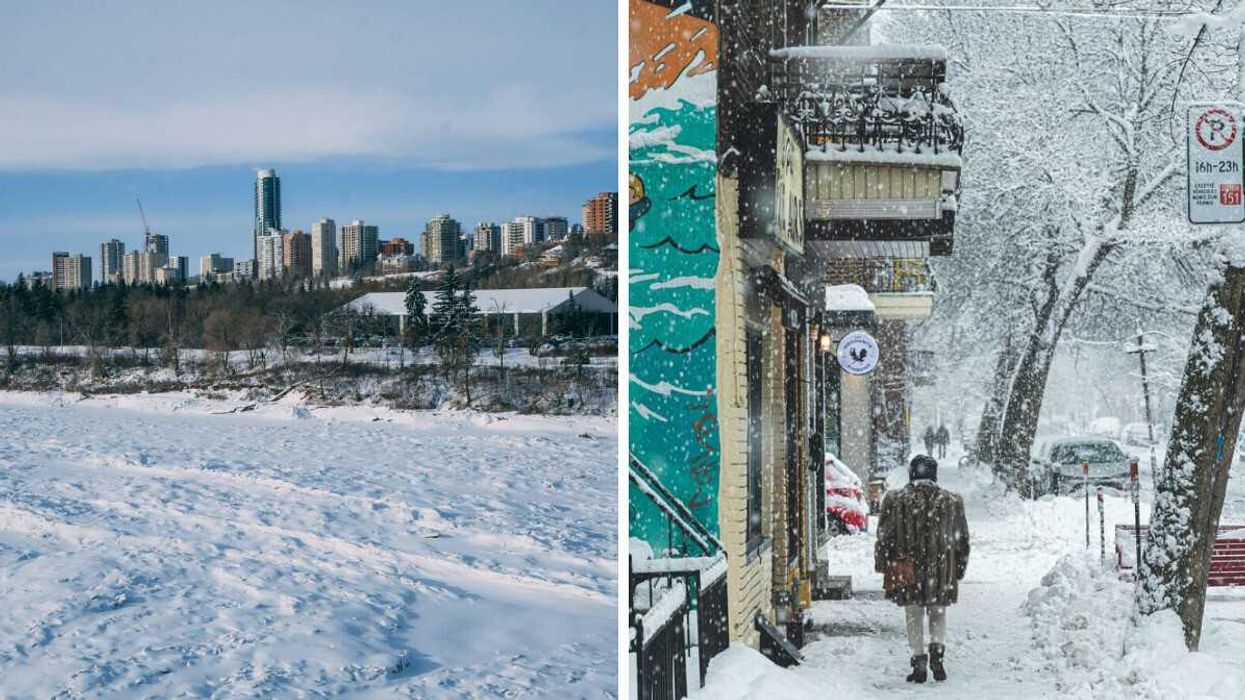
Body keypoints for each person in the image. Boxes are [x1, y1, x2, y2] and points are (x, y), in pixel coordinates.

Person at [875, 455, 970, 683]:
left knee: (913, 612)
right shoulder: (952, 501)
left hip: (909, 567)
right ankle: (937, 652)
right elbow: (962, 540)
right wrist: (957, 569)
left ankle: (918, 660)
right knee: (938, 611)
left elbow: (884, 536)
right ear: (934, 475)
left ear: (912, 474)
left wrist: (884, 564)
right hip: (941, 570)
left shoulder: (896, 499)